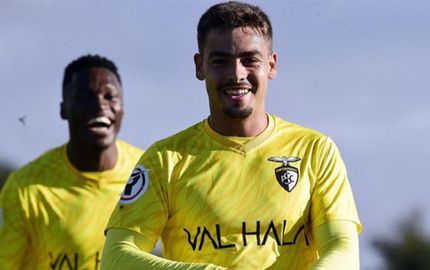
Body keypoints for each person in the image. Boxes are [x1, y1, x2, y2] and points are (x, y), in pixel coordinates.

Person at [101, 2, 361, 269]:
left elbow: (343, 250)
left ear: (271, 65)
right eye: (220, 61)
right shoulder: (165, 159)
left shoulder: (314, 150)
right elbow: (115, 258)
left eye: (250, 60)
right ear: (200, 66)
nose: (237, 74)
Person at [0, 54, 143, 270]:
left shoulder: (149, 170)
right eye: (84, 97)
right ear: (63, 110)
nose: (99, 105)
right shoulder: (25, 188)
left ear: (122, 108)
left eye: (109, 97)